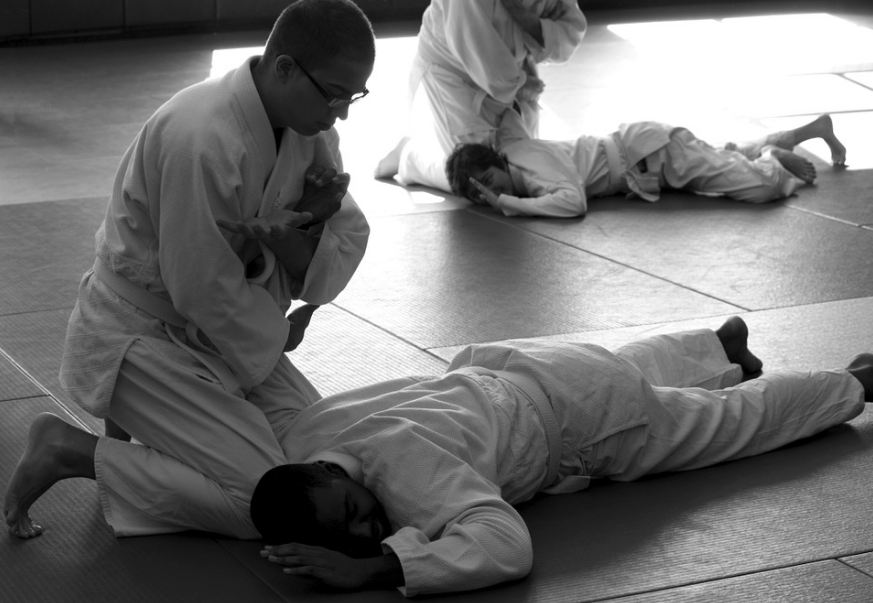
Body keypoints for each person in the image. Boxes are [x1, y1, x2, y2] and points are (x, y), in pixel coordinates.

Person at [7, 317, 872, 597]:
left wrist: (380, 566)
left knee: (723, 428)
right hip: (524, 364)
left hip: (588, 421)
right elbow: (262, 375)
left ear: (331, 484)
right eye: (363, 529)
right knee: (633, 369)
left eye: (358, 517)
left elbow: (508, 542)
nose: (372, 521)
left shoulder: (407, 480)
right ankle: (711, 342)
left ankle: (849, 385)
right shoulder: (305, 435)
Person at [44, 0, 374, 522]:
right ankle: (71, 450)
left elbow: (343, 237)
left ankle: (165, 429)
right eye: (335, 93)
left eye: (353, 95)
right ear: (285, 67)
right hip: (142, 333)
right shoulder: (200, 136)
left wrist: (303, 227)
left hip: (227, 333)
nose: (343, 111)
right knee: (269, 502)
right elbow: (198, 284)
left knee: (335, 456)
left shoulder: (309, 129)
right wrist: (275, 333)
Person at [445, 111, 848, 217]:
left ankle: (772, 156)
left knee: (762, 189)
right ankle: (804, 131)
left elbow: (572, 203)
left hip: (654, 152)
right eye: (482, 194)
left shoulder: (527, 161)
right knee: (723, 160)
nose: (494, 191)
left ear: (496, 160)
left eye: (489, 180)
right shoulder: (515, 167)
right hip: (649, 166)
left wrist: (509, 205)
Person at [374, 0, 587, 191]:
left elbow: (570, 29)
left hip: (512, 72)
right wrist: (520, 84)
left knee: (524, 167)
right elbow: (472, 39)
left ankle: (426, 150)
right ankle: (412, 157)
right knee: (477, 178)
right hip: (453, 74)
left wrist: (524, 18)